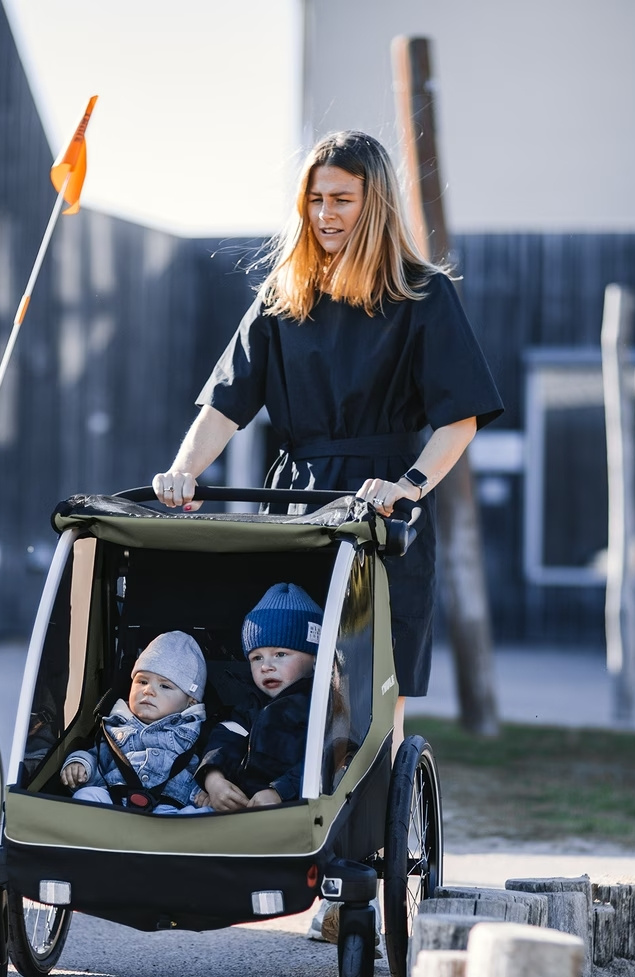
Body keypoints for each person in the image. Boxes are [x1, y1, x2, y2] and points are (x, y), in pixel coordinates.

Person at [153, 131, 504, 746]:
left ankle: (374, 799)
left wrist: (410, 485)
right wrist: (184, 469)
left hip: (385, 507)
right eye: (315, 200)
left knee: (375, 690)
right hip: (298, 506)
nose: (325, 214)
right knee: (286, 672)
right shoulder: (283, 295)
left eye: (342, 199)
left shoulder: (424, 295)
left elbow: (460, 419)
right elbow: (225, 405)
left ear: (377, 204)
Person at [198, 584, 322, 812]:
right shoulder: (251, 705)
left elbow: (328, 759)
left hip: (295, 811)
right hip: (243, 806)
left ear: (315, 658)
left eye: (280, 654)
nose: (266, 666)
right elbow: (224, 740)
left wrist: (280, 791)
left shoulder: (321, 706)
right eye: (256, 658)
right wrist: (214, 780)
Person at [60, 631, 210, 814]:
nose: (148, 691)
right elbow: (97, 757)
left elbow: (199, 771)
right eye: (142, 681)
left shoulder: (193, 733)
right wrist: (81, 765)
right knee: (86, 795)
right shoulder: (114, 725)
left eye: (165, 686)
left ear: (191, 701)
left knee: (203, 814)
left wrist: (204, 792)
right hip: (114, 802)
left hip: (168, 811)